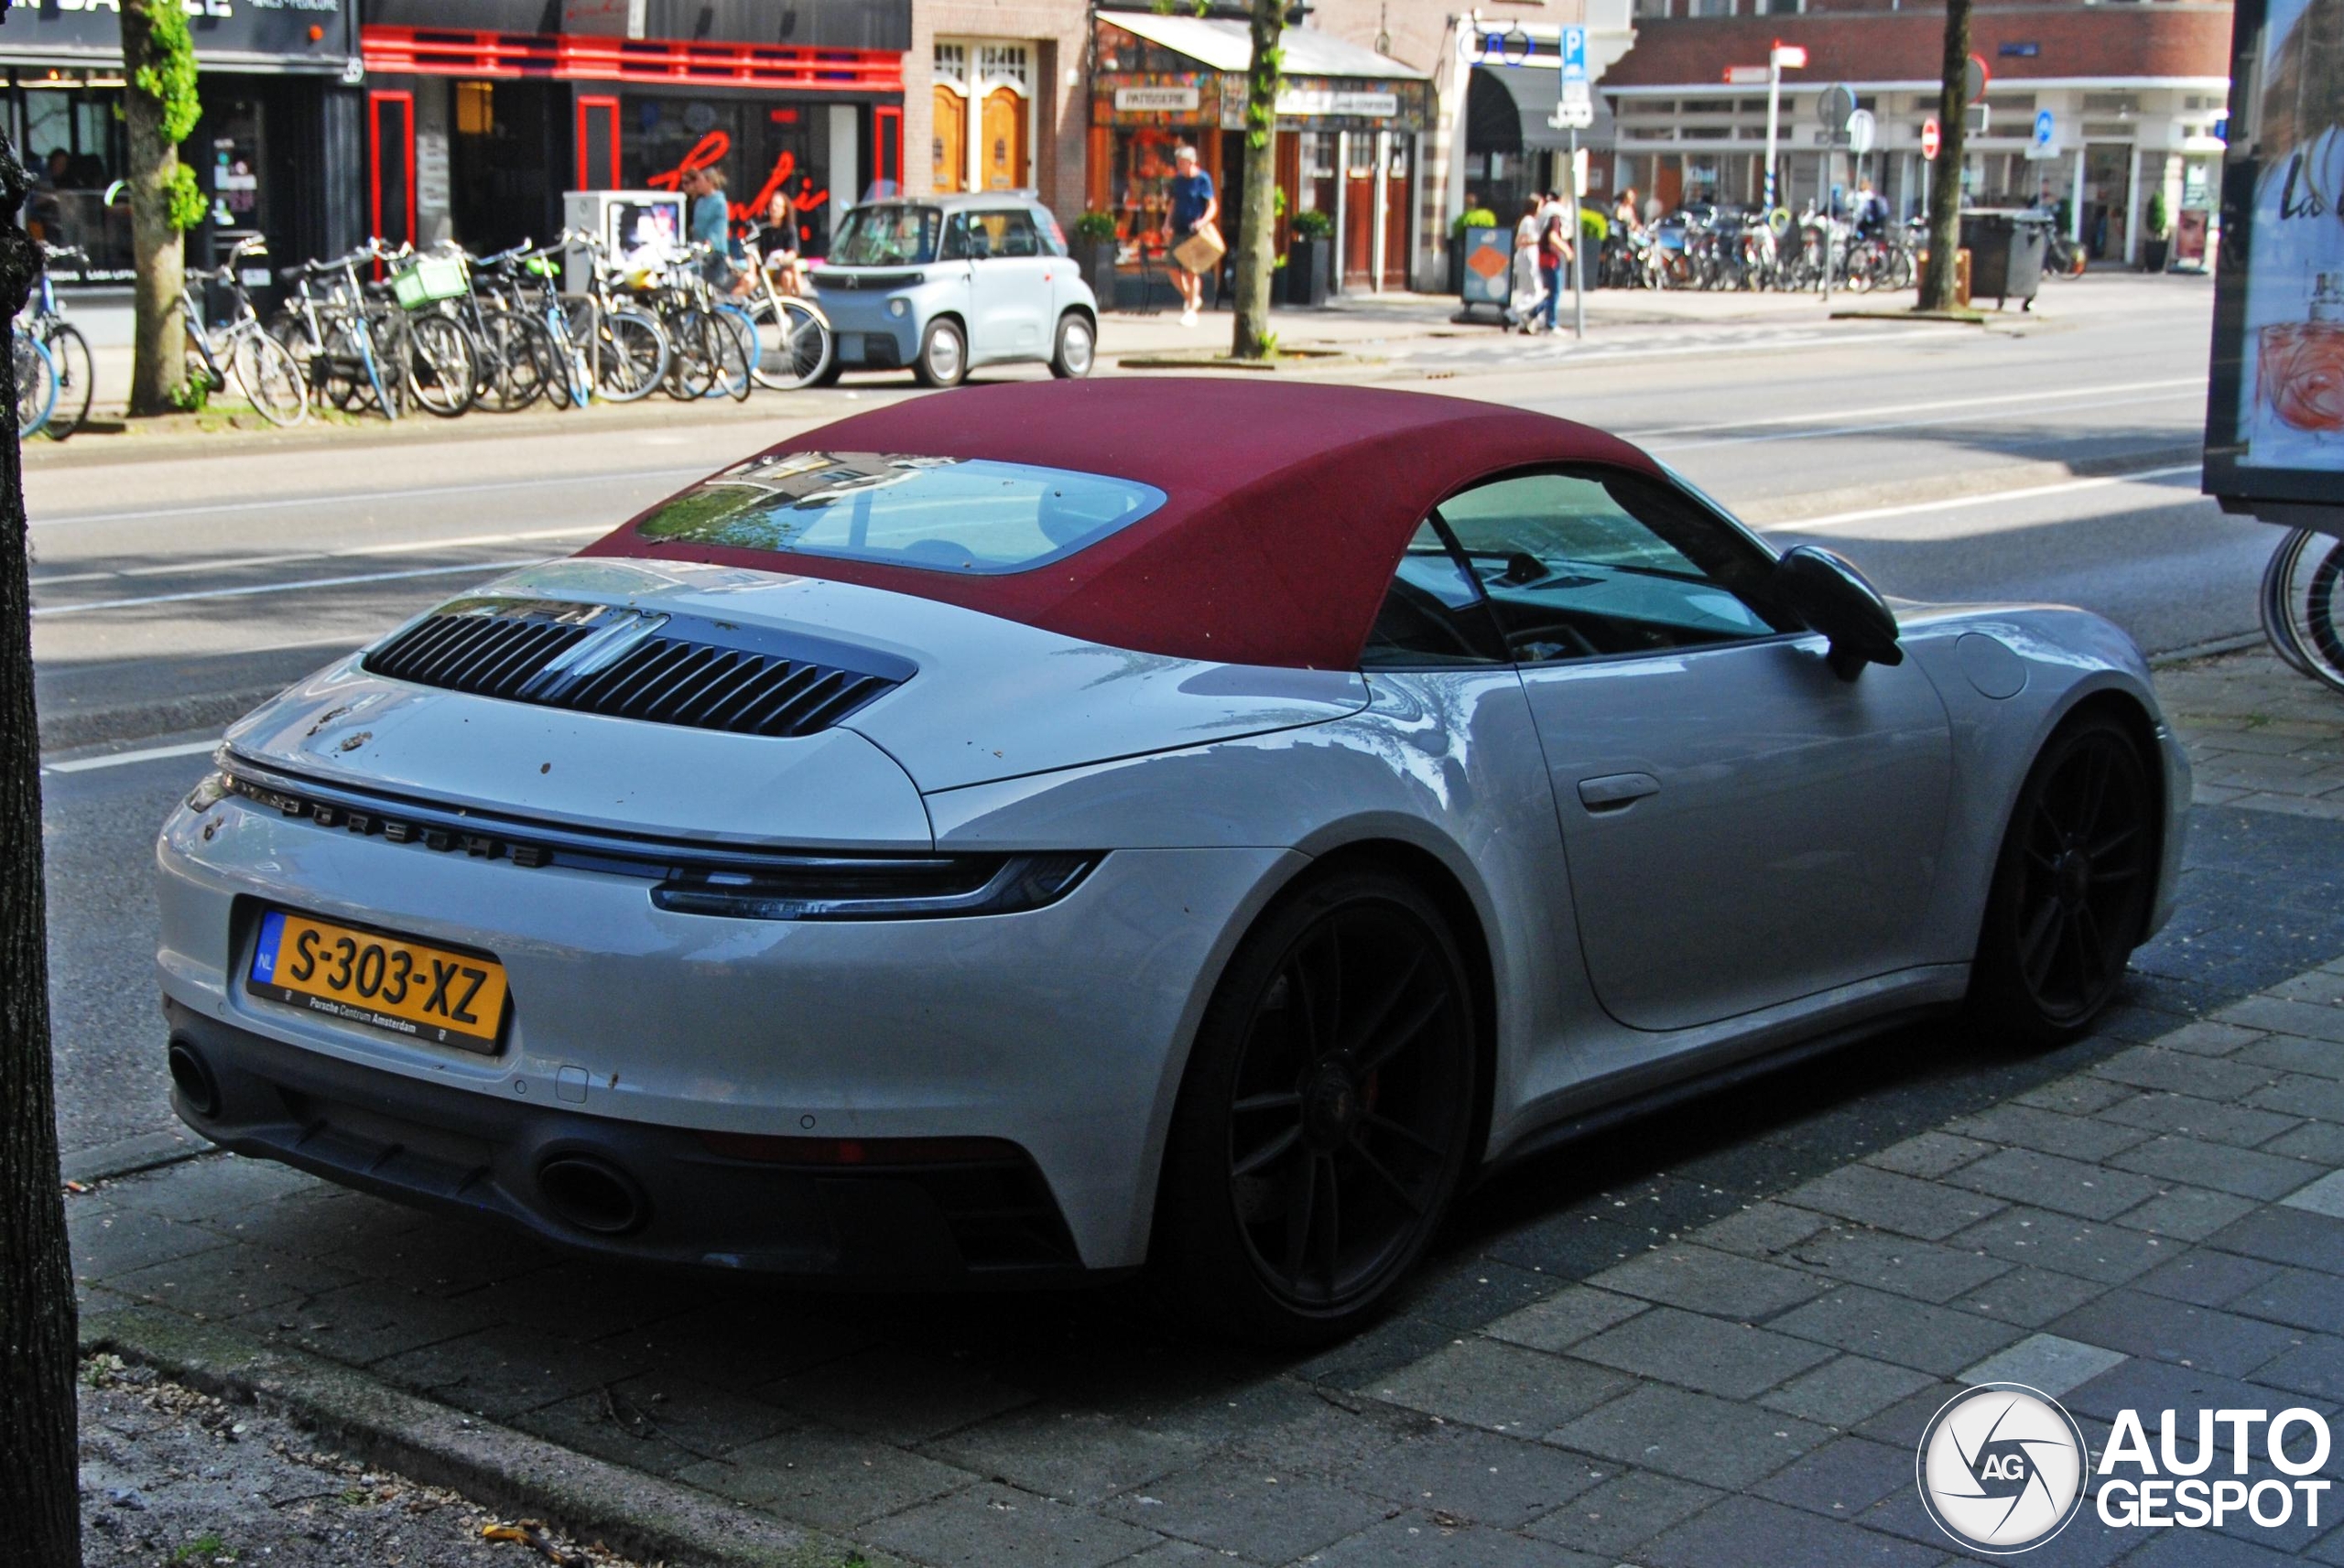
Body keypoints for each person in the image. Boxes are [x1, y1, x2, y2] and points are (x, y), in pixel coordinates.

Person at [1162, 144, 1219, 326]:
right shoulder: (1178, 180)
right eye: (1178, 161)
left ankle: (1192, 310)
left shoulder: (1202, 179)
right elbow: (1173, 203)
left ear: (1192, 162)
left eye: (1182, 162)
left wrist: (1203, 222)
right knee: (1172, 267)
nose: (1179, 165)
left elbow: (1212, 205)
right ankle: (1191, 298)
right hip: (1179, 229)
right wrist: (1166, 224)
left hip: (1194, 232)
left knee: (1191, 271)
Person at [684, 166, 736, 287]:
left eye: (700, 181)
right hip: (699, 251)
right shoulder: (700, 202)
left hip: (715, 252)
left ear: (709, 182)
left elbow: (718, 227)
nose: (697, 184)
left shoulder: (719, 202)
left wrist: (710, 243)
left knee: (715, 286)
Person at [751, 188, 803, 296]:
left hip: (782, 266)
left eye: (777, 206)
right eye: (772, 205)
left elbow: (793, 251)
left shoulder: (789, 228)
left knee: (788, 275)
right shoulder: (763, 228)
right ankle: (800, 297)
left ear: (784, 210)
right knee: (793, 270)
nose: (773, 208)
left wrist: (783, 259)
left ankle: (790, 306)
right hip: (767, 268)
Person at [1508, 197, 1546, 332]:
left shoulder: (1530, 221)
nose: (1542, 209)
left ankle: (1528, 323)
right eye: (1541, 206)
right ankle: (1513, 312)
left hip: (1529, 258)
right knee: (1536, 293)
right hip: (1528, 258)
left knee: (1530, 292)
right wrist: (1538, 241)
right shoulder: (1528, 221)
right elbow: (1520, 241)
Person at [1537, 196, 1574, 333]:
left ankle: (1535, 314)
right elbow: (1553, 236)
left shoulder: (1545, 214)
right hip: (1550, 259)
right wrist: (1567, 250)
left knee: (1551, 292)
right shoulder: (1555, 218)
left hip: (1543, 256)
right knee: (1555, 292)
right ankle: (1549, 322)